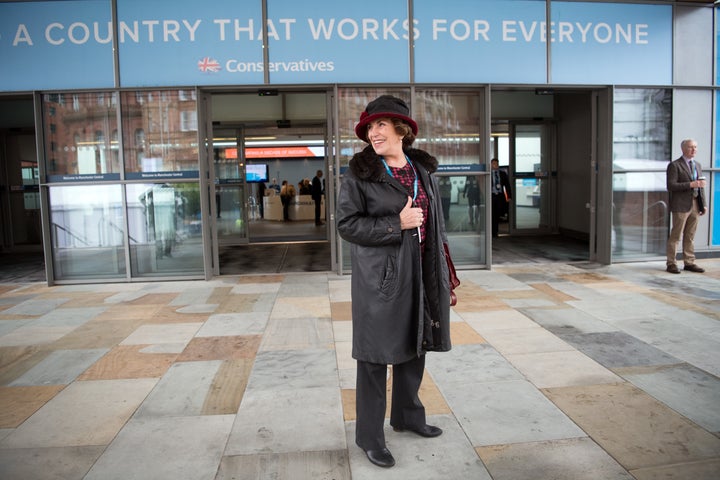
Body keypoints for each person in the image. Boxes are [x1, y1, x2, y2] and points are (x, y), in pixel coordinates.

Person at [336, 95, 452, 469]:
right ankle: (370, 437)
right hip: (380, 281)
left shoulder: (423, 172)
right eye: (370, 127)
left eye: (380, 125)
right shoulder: (360, 174)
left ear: (402, 129)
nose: (374, 133)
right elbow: (346, 225)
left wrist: (444, 274)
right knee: (373, 358)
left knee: (414, 346)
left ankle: (407, 417)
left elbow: (436, 226)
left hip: (420, 270)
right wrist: (394, 224)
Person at [666, 138, 707, 274]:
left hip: (695, 204)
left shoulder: (698, 165)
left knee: (690, 235)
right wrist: (691, 184)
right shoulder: (675, 165)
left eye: (695, 147)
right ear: (683, 149)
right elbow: (671, 185)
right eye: (691, 147)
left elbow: (700, 186)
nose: (694, 149)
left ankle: (689, 262)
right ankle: (671, 263)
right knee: (676, 235)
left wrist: (703, 204)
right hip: (681, 205)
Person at [490, 158, 512, 237]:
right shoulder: (488, 174)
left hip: (499, 196)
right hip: (491, 196)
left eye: (497, 164)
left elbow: (507, 185)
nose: (495, 165)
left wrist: (509, 196)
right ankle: (492, 232)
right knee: (491, 214)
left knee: (497, 214)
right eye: (494, 164)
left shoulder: (502, 174)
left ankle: (495, 232)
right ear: (491, 165)